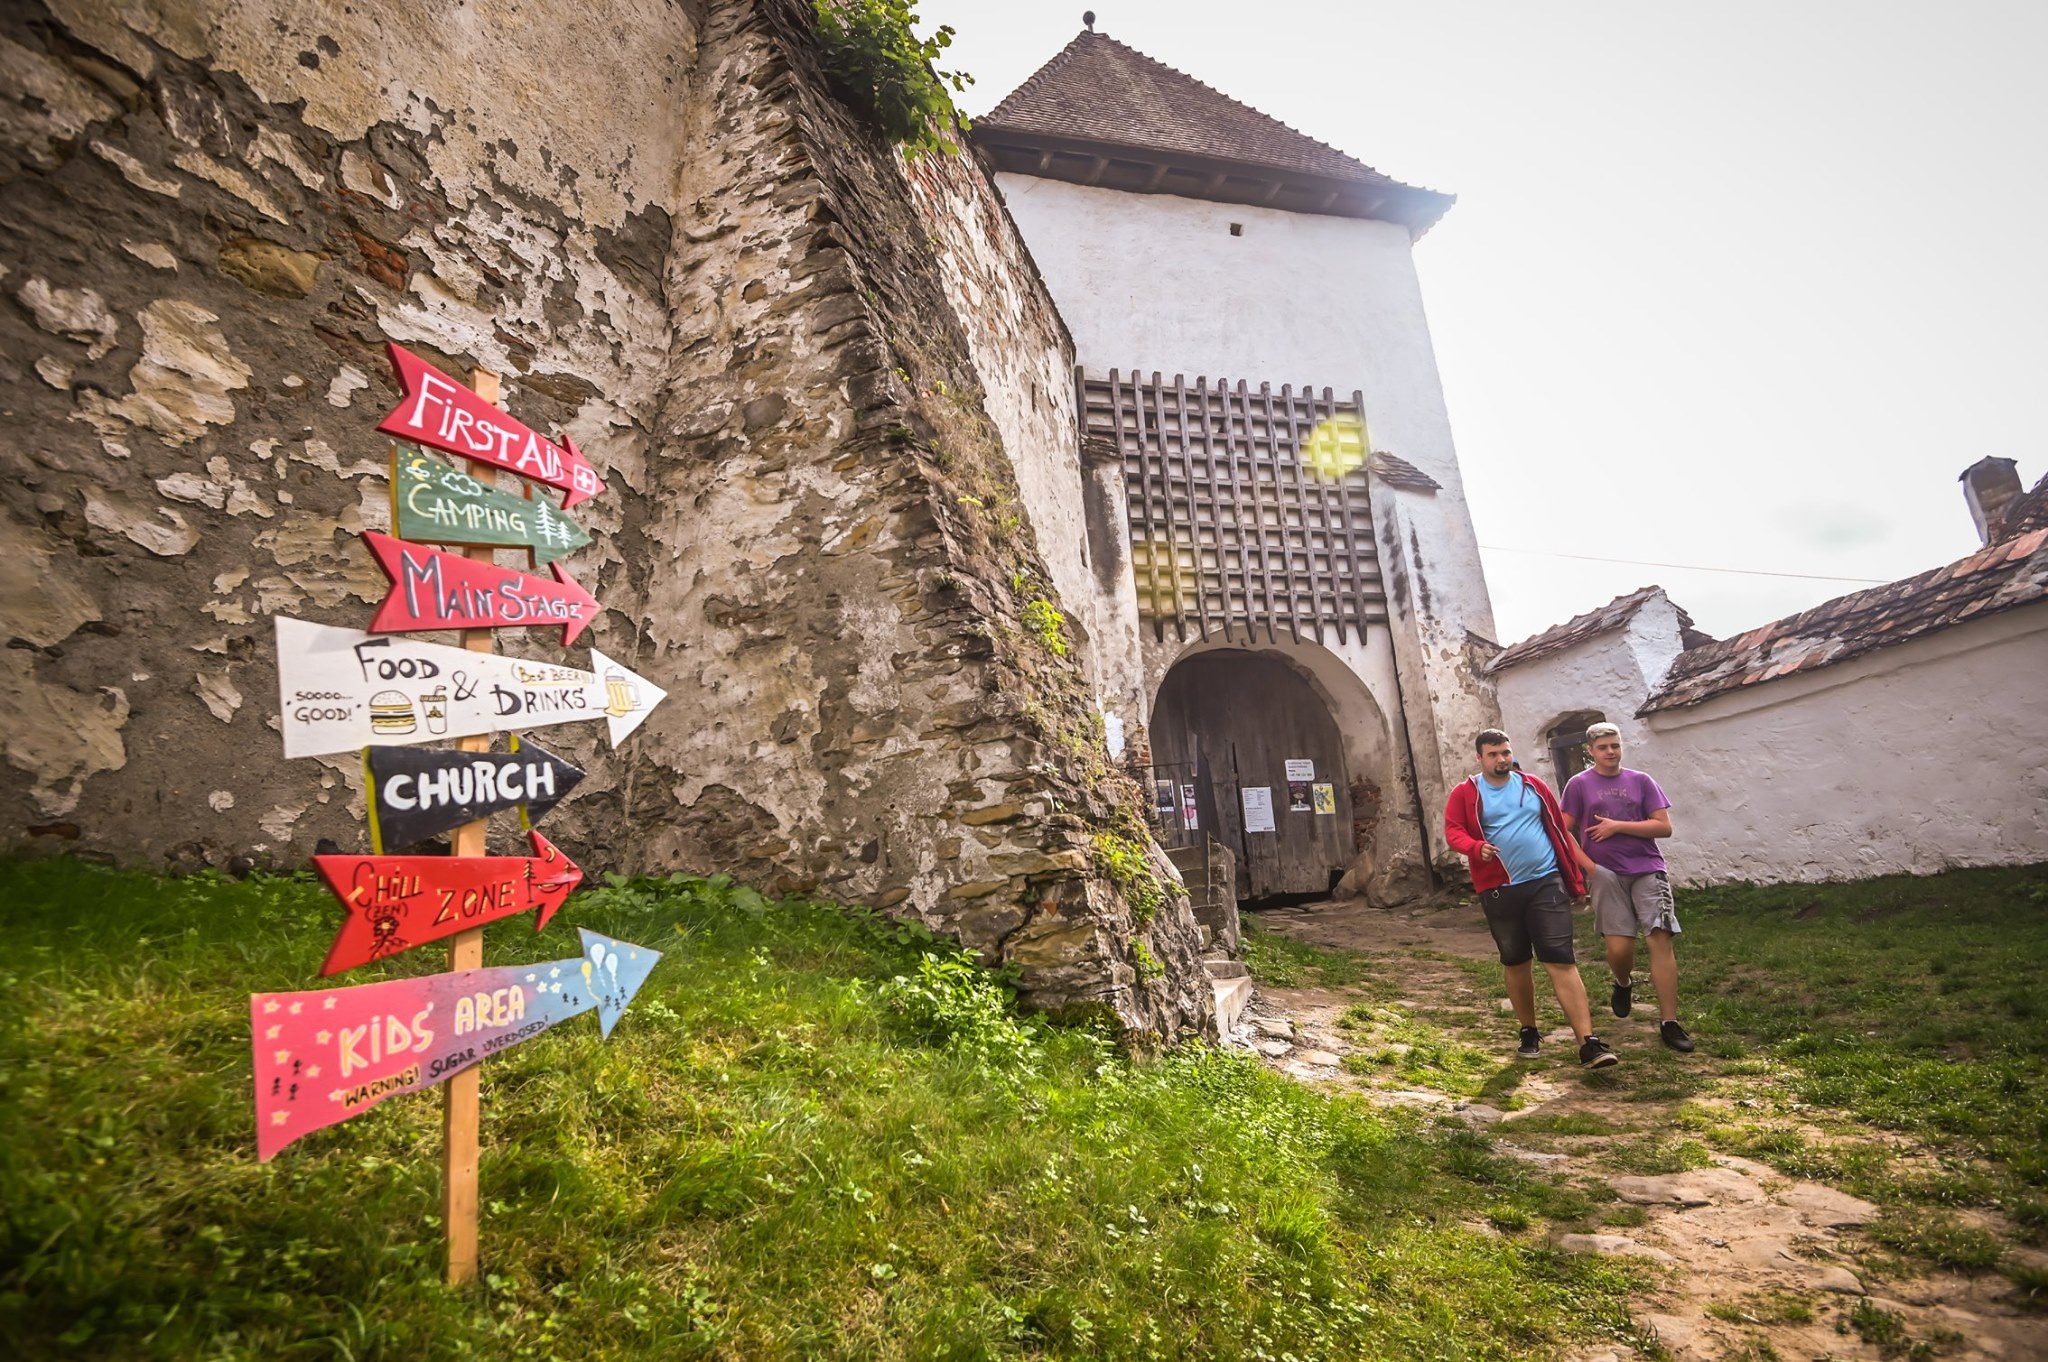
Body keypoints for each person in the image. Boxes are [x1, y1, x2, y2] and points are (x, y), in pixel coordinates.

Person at [1443, 729, 1618, 1069]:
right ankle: (1528, 1030)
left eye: (1505, 752)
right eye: (1493, 754)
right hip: (1499, 889)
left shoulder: (1533, 786)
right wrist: (1475, 847)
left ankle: (1588, 1043)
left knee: (1560, 958)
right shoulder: (1466, 792)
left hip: (1545, 882)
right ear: (1480, 758)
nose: (1501, 759)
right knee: (1516, 960)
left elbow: (1558, 830)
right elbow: (1453, 831)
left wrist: (1576, 877)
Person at [1561, 723, 1694, 1053]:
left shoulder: (1641, 781)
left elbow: (1663, 827)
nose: (1611, 752)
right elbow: (1562, 831)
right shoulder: (1579, 785)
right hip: (1606, 874)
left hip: (1647, 869)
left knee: (1660, 937)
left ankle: (1670, 1022)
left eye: (1615, 745)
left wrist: (1618, 826)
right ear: (1590, 751)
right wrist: (1590, 868)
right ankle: (1623, 982)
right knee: (1620, 950)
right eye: (1603, 747)